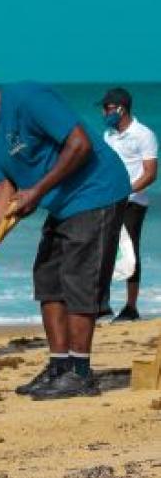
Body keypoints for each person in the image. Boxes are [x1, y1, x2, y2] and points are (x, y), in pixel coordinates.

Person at [0, 77, 131, 399]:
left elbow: (79, 143)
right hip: (62, 203)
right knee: (47, 278)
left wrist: (38, 191)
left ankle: (79, 373)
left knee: (79, 280)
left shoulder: (29, 98)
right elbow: (5, 189)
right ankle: (58, 366)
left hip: (97, 191)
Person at [99, 87, 157, 322]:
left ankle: (131, 307)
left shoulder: (144, 134)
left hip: (133, 202)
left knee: (130, 250)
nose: (104, 113)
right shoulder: (108, 135)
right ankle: (102, 304)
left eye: (107, 108)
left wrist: (126, 190)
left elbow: (150, 173)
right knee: (104, 249)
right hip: (108, 199)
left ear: (121, 108)